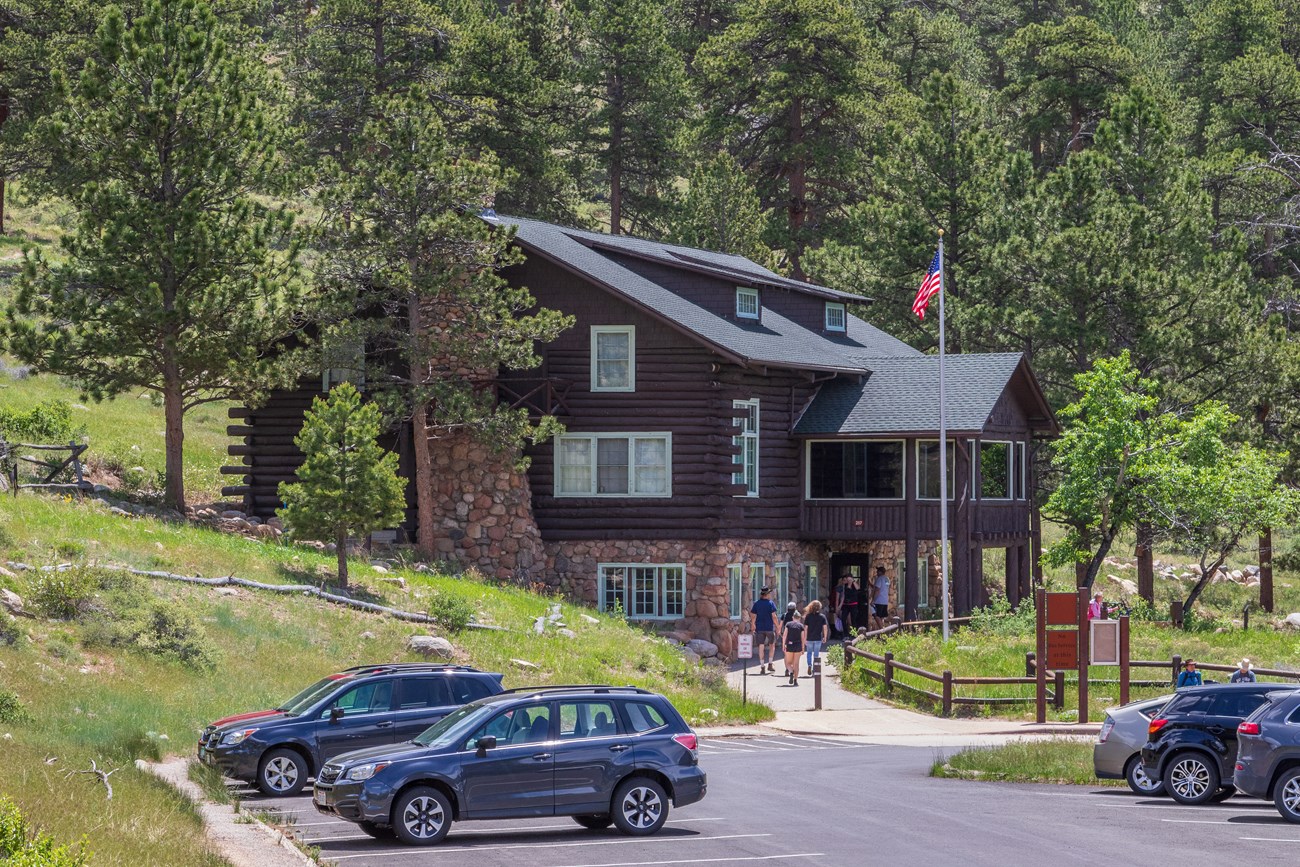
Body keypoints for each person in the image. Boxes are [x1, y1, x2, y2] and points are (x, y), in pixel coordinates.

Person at [749, 586, 779, 674]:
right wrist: (777, 626)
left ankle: (762, 666)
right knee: (771, 645)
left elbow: (753, 615)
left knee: (761, 646)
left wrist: (753, 624)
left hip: (759, 628)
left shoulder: (757, 603)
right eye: (769, 593)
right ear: (767, 594)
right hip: (769, 627)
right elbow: (774, 616)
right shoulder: (770, 603)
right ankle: (770, 663)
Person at [781, 609, 805, 685]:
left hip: (790, 645)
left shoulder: (788, 624)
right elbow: (803, 638)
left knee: (788, 663)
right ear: (799, 618)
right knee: (796, 664)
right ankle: (795, 680)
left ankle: (791, 672)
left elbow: (784, 635)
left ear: (793, 617)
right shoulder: (801, 626)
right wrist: (803, 648)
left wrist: (783, 645)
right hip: (798, 646)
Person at [803, 599, 828, 673]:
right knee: (816, 654)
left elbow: (806, 628)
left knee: (809, 653)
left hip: (809, 638)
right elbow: (825, 628)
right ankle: (815, 667)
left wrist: (805, 638)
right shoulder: (822, 617)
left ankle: (809, 665)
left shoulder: (808, 616)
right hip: (818, 638)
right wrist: (825, 637)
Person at [779, 602, 798, 676]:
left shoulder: (784, 615)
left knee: (786, 654)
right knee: (794, 653)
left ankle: (787, 668)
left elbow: (780, 625)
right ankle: (792, 668)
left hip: (786, 635)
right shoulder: (796, 615)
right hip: (795, 636)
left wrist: (779, 632)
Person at [869, 566, 890, 630]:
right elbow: (878, 588)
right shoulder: (887, 579)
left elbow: (877, 590)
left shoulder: (879, 579)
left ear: (880, 572)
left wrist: (873, 600)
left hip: (878, 601)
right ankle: (880, 632)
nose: (876, 572)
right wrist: (870, 584)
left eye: (878, 571)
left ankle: (882, 630)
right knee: (881, 617)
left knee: (876, 615)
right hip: (885, 600)